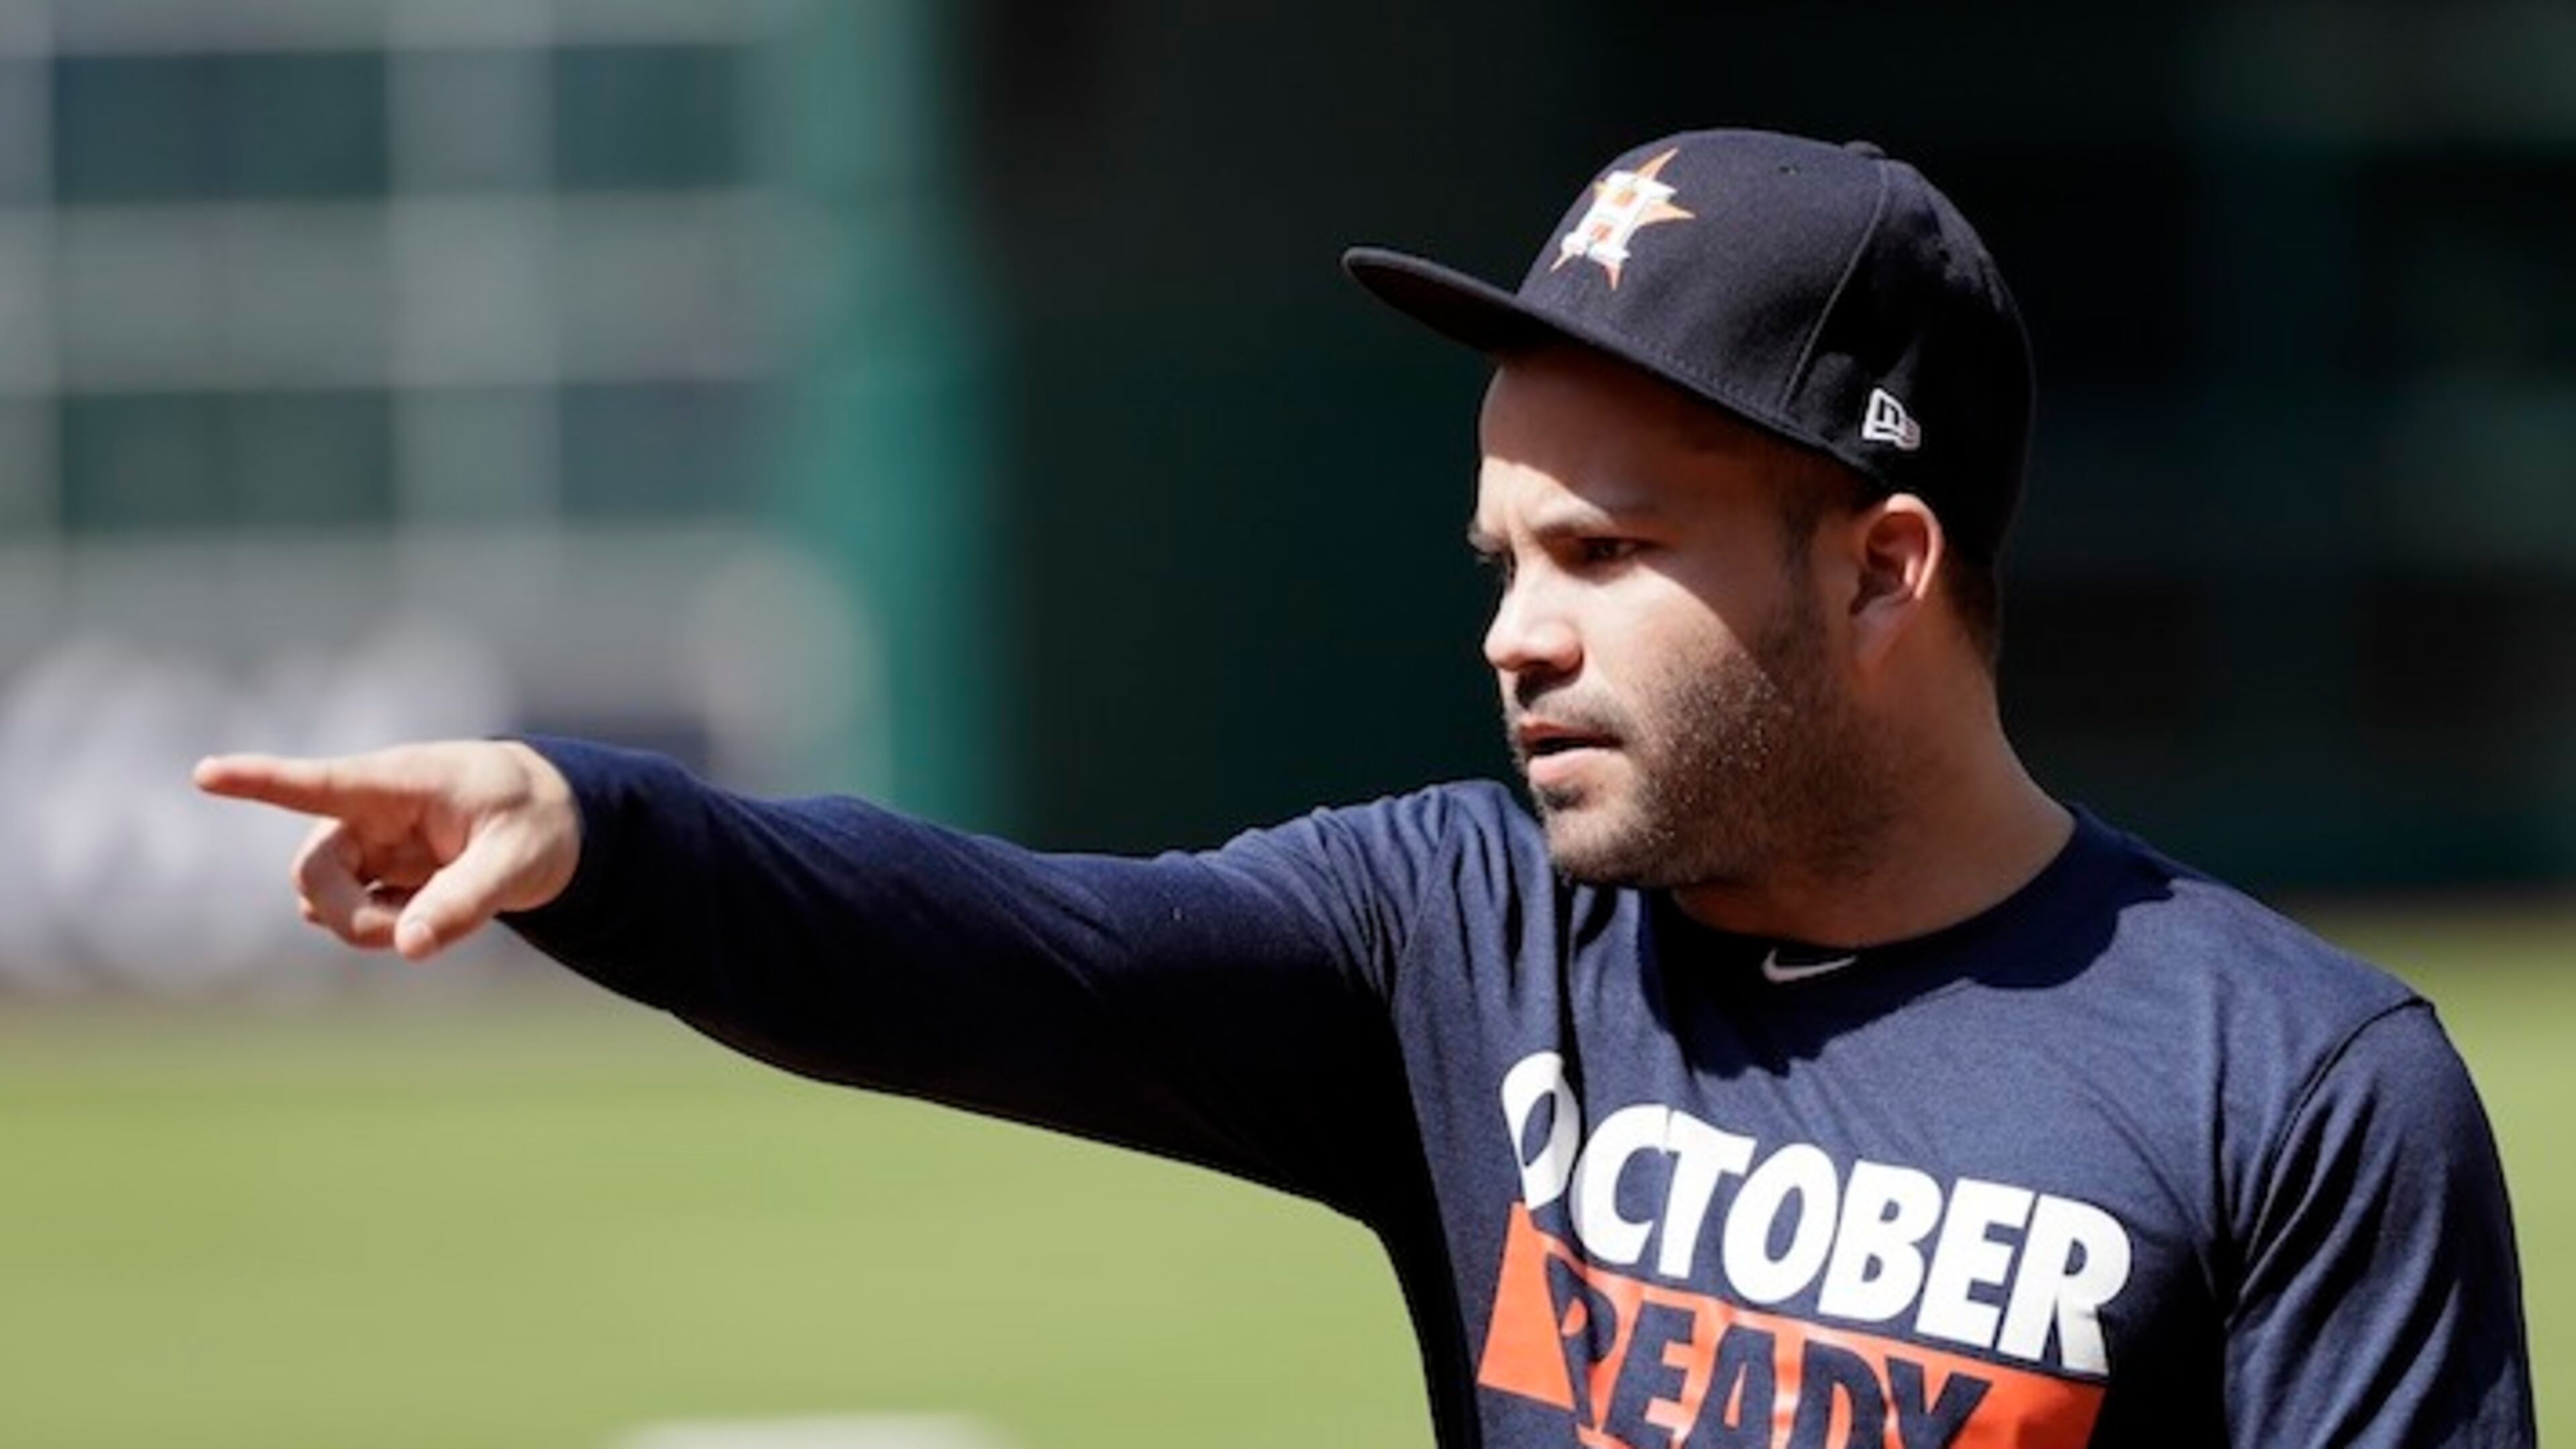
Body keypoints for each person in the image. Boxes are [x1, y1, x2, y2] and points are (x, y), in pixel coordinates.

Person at [197, 129, 2534, 1448]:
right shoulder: (1459, 944)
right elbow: (992, 949)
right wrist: (595, 828)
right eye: (1504, 558)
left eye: (1609, 557)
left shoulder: (2293, 1091)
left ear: (1883, 564)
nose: (1517, 632)